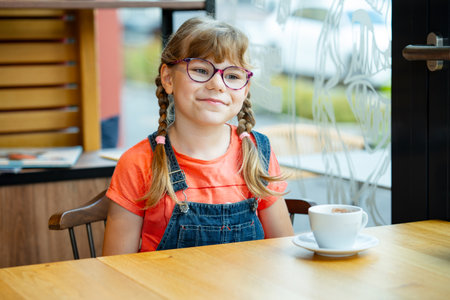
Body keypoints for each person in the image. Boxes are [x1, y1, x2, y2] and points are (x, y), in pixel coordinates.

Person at [102, 16, 293, 255]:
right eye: (201, 70)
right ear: (168, 78)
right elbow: (116, 269)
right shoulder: (137, 163)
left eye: (232, 76)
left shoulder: (258, 152)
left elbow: (284, 251)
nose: (218, 84)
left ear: (245, 89)